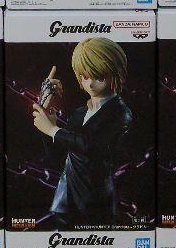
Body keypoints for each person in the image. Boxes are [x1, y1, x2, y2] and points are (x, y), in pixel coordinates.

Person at [31, 38, 133, 228]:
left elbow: (93, 146)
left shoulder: (120, 112)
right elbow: (58, 155)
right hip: (65, 197)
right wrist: (48, 123)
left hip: (95, 201)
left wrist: (53, 129)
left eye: (99, 77)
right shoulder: (79, 113)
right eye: (85, 76)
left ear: (116, 74)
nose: (91, 83)